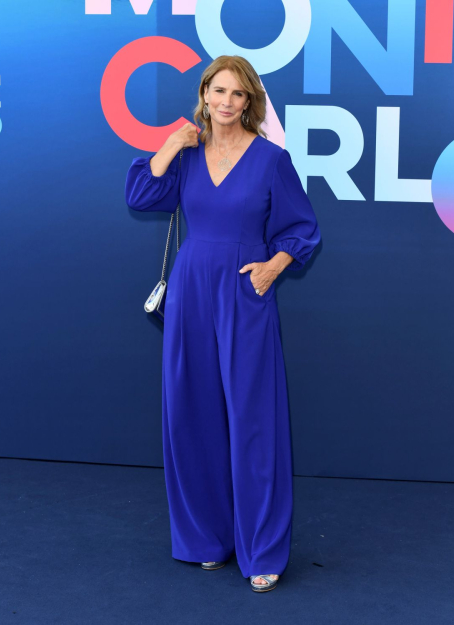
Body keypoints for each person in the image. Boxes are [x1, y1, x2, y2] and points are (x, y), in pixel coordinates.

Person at [125, 55, 321, 593]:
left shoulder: (270, 159)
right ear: (204, 95)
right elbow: (140, 194)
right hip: (190, 291)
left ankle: (261, 549)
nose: (226, 102)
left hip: (243, 292)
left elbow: (303, 228)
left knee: (254, 420)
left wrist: (274, 267)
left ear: (250, 100)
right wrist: (169, 145)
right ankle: (207, 540)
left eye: (237, 94)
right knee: (193, 412)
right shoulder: (187, 156)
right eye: (217, 91)